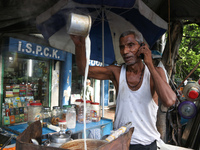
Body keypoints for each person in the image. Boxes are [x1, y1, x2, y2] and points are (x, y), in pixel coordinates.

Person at [70, 30, 176, 150]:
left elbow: (169, 101)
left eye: (131, 45)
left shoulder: (156, 72)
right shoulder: (117, 72)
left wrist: (150, 64)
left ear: (142, 47)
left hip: (147, 144)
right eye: (122, 47)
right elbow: (84, 70)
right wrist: (79, 45)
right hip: (120, 142)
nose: (125, 51)